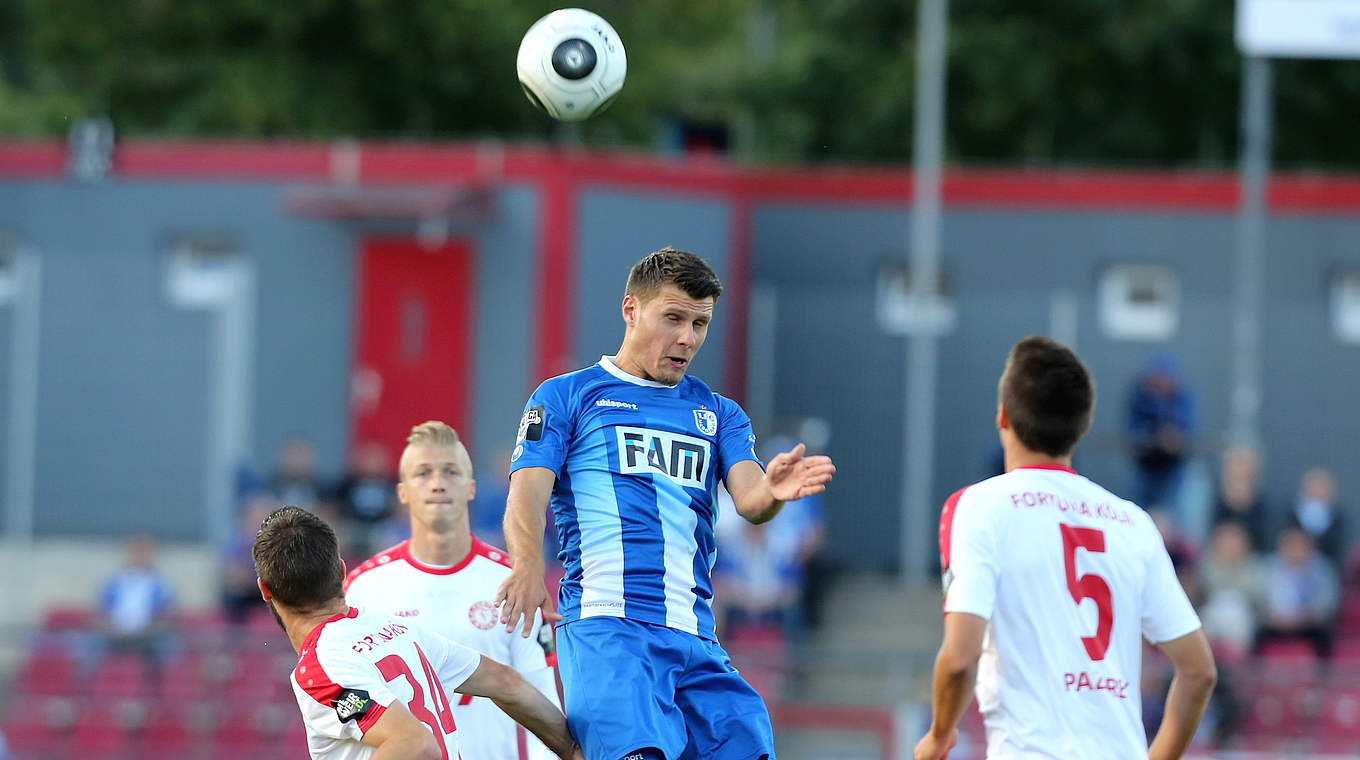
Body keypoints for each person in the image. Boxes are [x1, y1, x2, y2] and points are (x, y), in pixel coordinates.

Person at [495, 248, 836, 760]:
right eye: (673, 318)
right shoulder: (568, 396)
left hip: (695, 634)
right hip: (609, 625)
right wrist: (525, 563)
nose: (688, 338)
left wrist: (773, 494)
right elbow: (527, 490)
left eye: (701, 324)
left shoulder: (719, 412)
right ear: (631, 309)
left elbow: (750, 499)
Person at [916, 336, 1216, 760]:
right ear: (1084, 426)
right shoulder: (1132, 522)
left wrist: (940, 734)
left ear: (1003, 416)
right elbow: (1199, 671)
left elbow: (960, 657)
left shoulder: (978, 506)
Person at [253, 505, 582, 760]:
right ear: (341, 570)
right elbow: (506, 682)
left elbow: (414, 743)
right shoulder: (395, 629)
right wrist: (571, 750)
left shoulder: (319, 668)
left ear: (265, 590)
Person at [345, 421, 563, 760]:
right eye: (423, 473)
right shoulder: (364, 589)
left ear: (471, 487)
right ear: (402, 492)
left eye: (450, 472)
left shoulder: (515, 581)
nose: (437, 484)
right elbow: (347, 709)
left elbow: (542, 703)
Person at [1125, 352, 1196, 514]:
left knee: (1174, 514)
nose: (1162, 383)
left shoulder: (1182, 396)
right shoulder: (1140, 396)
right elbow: (1132, 430)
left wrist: (1173, 438)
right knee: (1137, 512)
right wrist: (1154, 436)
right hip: (1145, 466)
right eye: (1158, 379)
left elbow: (1188, 430)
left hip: (1174, 467)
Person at [1256, 526, 1340, 659]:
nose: (1296, 551)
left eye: (1301, 546)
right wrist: (1272, 617)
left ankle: (1323, 674)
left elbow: (1327, 603)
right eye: (1291, 546)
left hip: (1309, 623)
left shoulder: (1322, 570)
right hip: (1275, 623)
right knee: (1256, 633)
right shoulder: (1268, 568)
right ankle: (1255, 673)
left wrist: (1306, 617)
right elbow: (1260, 600)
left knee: (1326, 635)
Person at [1209, 445, 1270, 553]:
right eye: (1237, 463)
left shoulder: (1263, 505)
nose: (1240, 470)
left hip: (1252, 561)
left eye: (1244, 464)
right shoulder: (1210, 499)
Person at [1284, 467, 1346, 566]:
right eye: (1314, 487)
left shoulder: (1339, 519)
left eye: (1322, 488)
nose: (1318, 492)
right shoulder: (1290, 513)